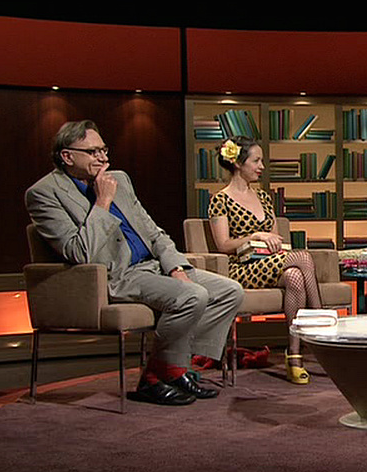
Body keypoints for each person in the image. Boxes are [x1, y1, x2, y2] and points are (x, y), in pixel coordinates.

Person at [26, 120, 244, 406]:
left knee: (230, 291)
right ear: (67, 156)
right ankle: (154, 377)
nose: (102, 158)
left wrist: (176, 268)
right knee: (193, 296)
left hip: (153, 266)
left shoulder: (120, 180)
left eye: (104, 150)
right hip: (115, 275)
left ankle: (178, 367)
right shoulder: (44, 194)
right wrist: (102, 202)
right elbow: (79, 252)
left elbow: (154, 233)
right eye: (93, 152)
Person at [207, 137, 323, 385]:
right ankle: (321, 327)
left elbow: (275, 239)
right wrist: (255, 236)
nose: (262, 166)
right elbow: (223, 245)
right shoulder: (220, 200)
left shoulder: (264, 197)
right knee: (303, 257)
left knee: (294, 275)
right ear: (238, 163)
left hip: (270, 262)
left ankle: (294, 356)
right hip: (242, 267)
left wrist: (271, 242)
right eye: (256, 161)